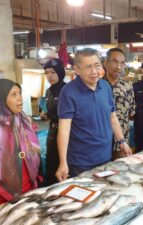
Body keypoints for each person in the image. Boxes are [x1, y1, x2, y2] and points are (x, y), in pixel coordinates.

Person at [56, 49, 131, 180]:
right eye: (88, 67)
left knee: (104, 195)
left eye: (97, 65)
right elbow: (64, 129)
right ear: (77, 70)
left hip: (105, 157)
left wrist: (122, 141)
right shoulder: (68, 92)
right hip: (80, 162)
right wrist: (63, 162)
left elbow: (112, 117)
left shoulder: (105, 86)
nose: (94, 71)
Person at [0, 79, 41, 211]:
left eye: (20, 93)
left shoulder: (23, 122)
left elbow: (29, 155)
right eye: (13, 94)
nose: (20, 98)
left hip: (27, 195)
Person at [104, 48, 135, 158]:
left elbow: (132, 113)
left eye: (122, 63)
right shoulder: (97, 86)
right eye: (115, 61)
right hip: (101, 143)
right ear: (106, 62)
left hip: (122, 144)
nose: (119, 67)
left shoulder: (128, 86)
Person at [40, 58, 66, 185]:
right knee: (51, 163)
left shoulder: (67, 90)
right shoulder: (49, 91)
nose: (49, 76)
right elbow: (52, 110)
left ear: (60, 73)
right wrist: (46, 114)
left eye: (53, 72)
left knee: (63, 163)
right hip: (52, 132)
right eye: (47, 72)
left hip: (65, 133)